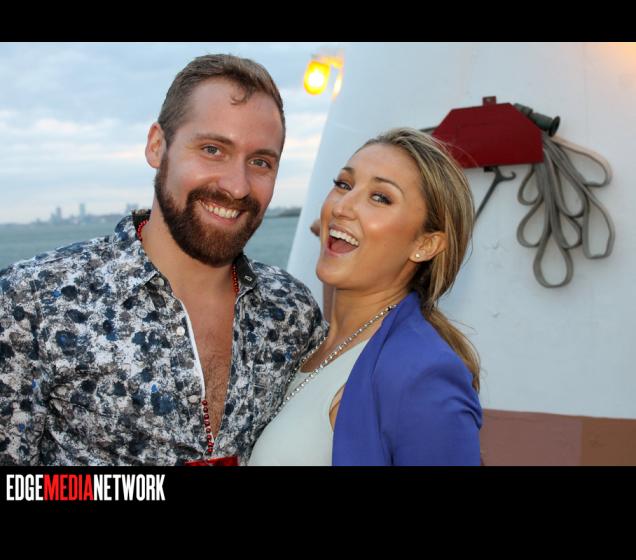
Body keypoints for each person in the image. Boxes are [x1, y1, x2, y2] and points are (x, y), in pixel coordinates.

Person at [0, 54, 327, 466]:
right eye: (212, 149)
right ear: (157, 145)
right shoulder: (32, 302)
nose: (237, 186)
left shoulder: (291, 312)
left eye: (260, 162)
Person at [248, 127, 483, 466]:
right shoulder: (304, 340)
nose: (342, 206)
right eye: (344, 184)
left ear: (425, 244)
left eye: (380, 198)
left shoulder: (421, 375)